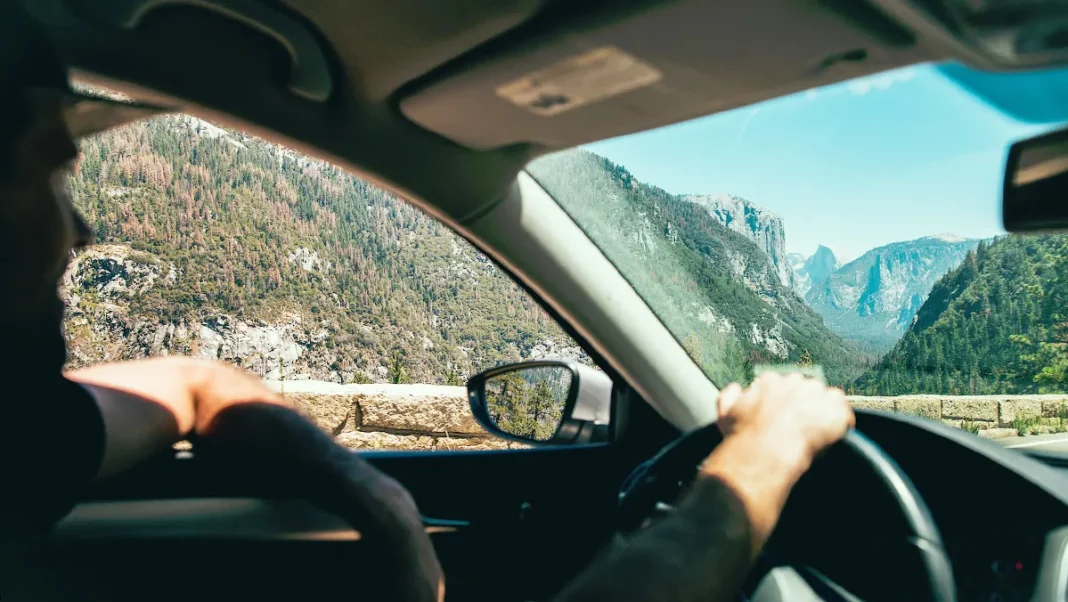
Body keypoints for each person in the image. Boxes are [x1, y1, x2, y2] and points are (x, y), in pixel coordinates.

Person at [0, 5, 853, 602]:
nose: (79, 230)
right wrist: (765, 453)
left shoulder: (23, 433)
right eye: (50, 171)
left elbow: (195, 384)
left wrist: (387, 507)